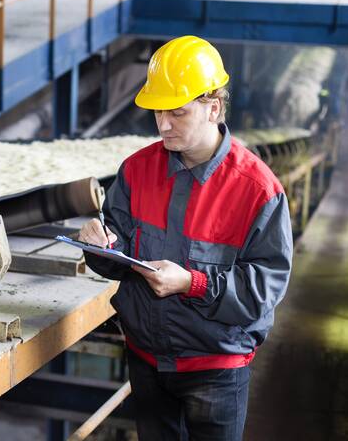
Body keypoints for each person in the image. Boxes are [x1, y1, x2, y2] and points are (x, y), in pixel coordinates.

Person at [79, 35, 292, 441]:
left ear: (213, 108)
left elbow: (263, 290)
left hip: (215, 371)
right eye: (158, 112)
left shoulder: (257, 191)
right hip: (145, 361)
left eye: (176, 113)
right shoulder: (137, 170)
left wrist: (191, 283)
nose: (162, 125)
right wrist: (99, 245)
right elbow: (116, 254)